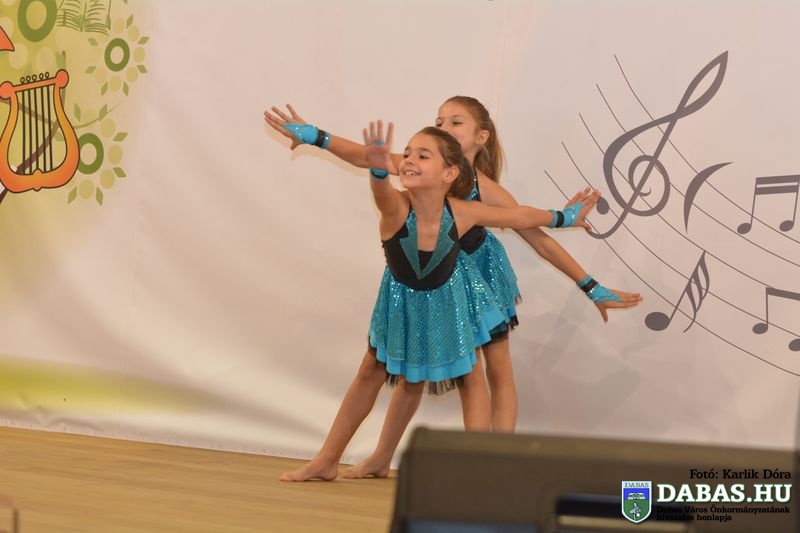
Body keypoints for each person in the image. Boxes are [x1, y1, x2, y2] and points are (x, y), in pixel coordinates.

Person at [265, 98, 641, 480]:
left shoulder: (479, 193)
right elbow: (367, 159)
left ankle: (493, 463)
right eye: (439, 121)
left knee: (487, 371)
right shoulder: (417, 171)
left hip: (471, 280)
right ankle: (373, 457)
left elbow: (530, 228)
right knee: (402, 374)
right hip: (419, 282)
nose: (444, 127)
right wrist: (315, 136)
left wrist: (587, 279)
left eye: (455, 122)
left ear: (480, 138)